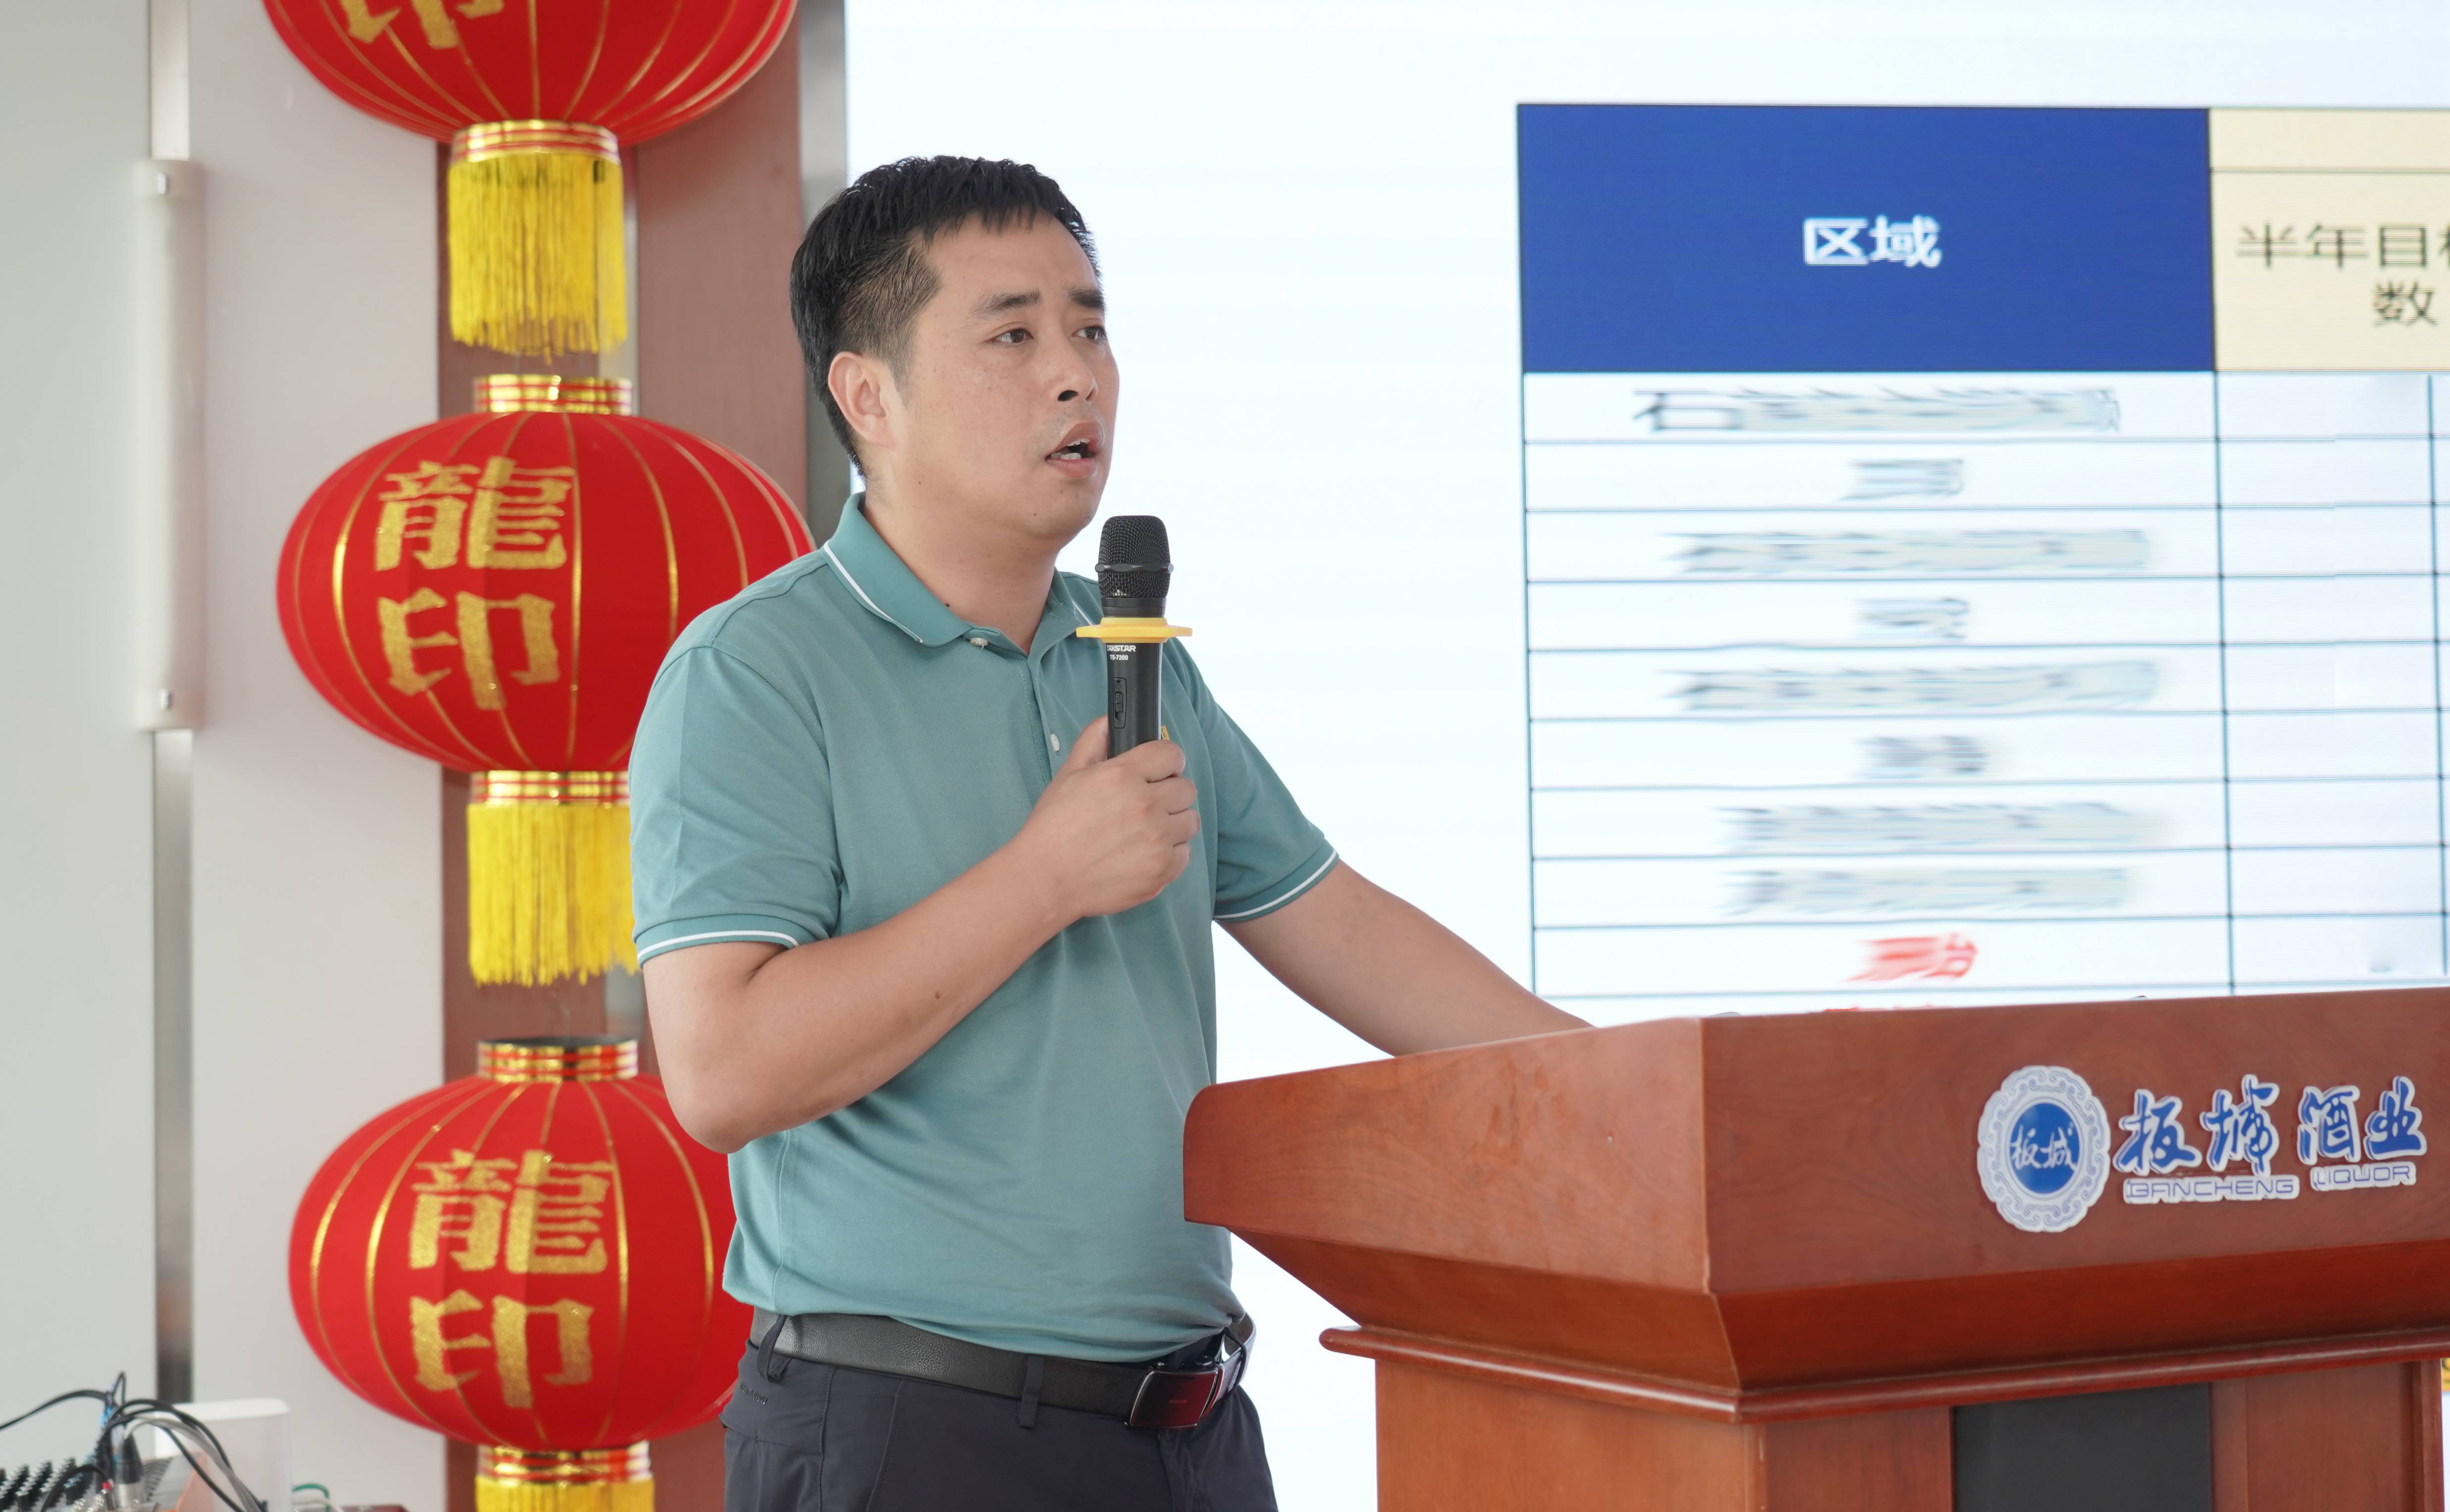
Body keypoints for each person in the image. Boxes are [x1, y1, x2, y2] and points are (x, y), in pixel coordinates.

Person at [630, 155, 1586, 1512]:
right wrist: (1042, 877)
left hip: (1188, 1428)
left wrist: (1635, 1093)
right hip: (917, 1431)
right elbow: (722, 1073)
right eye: (1013, 335)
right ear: (868, 395)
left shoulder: (1133, 656)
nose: (1077, 375)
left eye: (1090, 328)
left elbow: (1342, 924)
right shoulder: (755, 670)